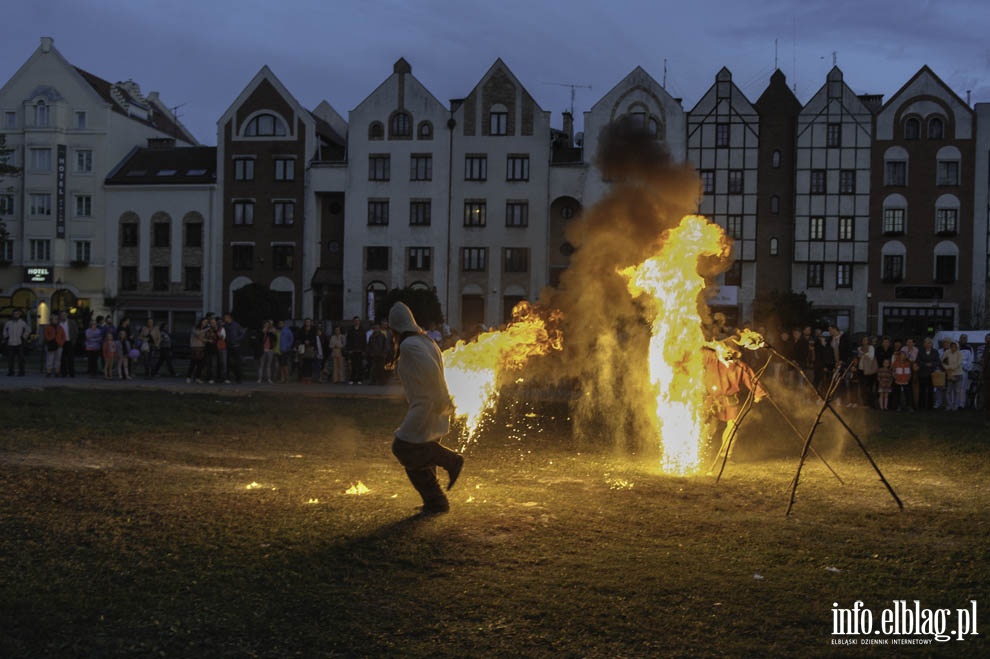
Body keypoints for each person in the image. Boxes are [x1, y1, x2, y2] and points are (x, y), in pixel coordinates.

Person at [388, 302, 464, 516]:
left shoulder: (410, 345)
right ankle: (436, 502)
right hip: (432, 406)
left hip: (427, 407)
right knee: (419, 461)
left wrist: (442, 399)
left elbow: (431, 372)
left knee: (403, 448)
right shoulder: (425, 341)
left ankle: (451, 460)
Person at [703, 345, 767, 466]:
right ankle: (703, 453)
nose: (729, 353)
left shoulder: (740, 366)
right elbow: (698, 350)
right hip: (713, 400)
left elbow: (751, 379)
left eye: (732, 351)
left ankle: (725, 456)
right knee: (709, 428)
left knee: (732, 428)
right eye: (726, 350)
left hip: (730, 400)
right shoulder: (712, 359)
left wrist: (758, 393)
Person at [4, 309, 30, 376]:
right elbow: (5, 331)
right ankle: (11, 371)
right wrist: (6, 337)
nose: (16, 315)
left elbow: (28, 330)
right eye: (15, 314)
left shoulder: (22, 323)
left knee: (21, 358)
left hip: (19, 342)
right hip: (10, 343)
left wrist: (24, 337)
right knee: (10, 359)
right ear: (12, 315)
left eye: (17, 314)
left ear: (19, 315)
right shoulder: (8, 323)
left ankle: (21, 372)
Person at [223, 312, 245, 384]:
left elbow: (242, 333)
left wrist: (237, 339)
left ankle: (239, 378)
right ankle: (228, 378)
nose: (224, 319)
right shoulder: (225, 325)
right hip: (229, 346)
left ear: (229, 317)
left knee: (237, 363)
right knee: (229, 363)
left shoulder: (236, 325)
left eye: (225, 317)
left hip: (236, 346)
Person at [942, 341, 964, 411]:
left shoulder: (959, 353)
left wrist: (951, 367)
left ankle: (956, 406)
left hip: (958, 374)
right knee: (948, 391)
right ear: (950, 347)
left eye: (955, 347)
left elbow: (959, 363)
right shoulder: (947, 352)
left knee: (957, 391)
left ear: (957, 347)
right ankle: (949, 405)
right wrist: (947, 368)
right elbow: (943, 362)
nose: (953, 348)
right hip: (949, 373)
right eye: (952, 346)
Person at [345, 316, 366, 384]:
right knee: (353, 365)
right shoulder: (350, 329)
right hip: (353, 350)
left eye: (358, 320)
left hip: (360, 350)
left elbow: (364, 340)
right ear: (353, 321)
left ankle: (359, 379)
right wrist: (349, 349)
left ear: (359, 322)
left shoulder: (362, 329)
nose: (356, 322)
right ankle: (352, 379)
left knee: (360, 365)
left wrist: (364, 350)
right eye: (355, 320)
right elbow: (348, 340)